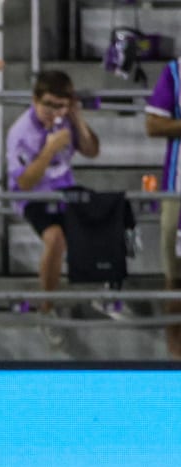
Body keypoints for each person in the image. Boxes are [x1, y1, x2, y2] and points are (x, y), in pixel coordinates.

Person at [6, 69, 100, 346]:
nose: (52, 112)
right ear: (36, 100)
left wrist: (77, 120)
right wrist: (48, 150)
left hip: (65, 190)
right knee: (55, 237)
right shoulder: (20, 132)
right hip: (34, 196)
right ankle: (47, 308)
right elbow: (24, 182)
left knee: (107, 212)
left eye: (60, 105)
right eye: (48, 104)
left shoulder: (66, 119)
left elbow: (92, 151)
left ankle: (107, 293)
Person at [144, 60, 181, 359]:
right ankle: (177, 363)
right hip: (178, 190)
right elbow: (153, 124)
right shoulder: (176, 72)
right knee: (176, 281)